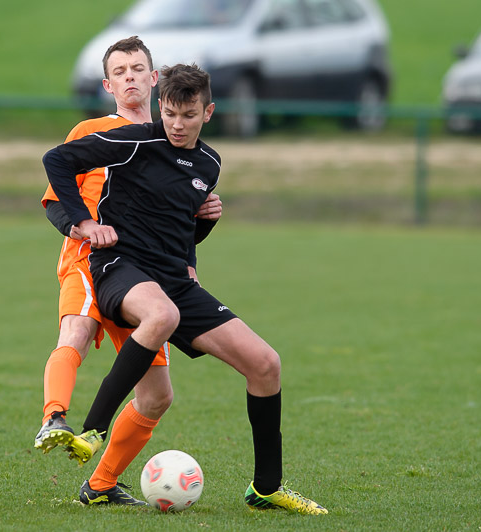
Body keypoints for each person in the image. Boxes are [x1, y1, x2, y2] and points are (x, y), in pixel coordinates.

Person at [44, 63, 327, 515]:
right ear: (161, 107)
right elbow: (56, 160)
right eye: (171, 114)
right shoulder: (135, 141)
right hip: (119, 267)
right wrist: (83, 222)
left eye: (189, 115)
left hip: (172, 278)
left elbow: (178, 229)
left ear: (208, 112)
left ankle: (266, 488)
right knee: (162, 316)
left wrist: (204, 225)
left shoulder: (209, 164)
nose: (178, 125)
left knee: (265, 364)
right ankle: (93, 429)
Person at [35, 36, 222, 495]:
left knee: (158, 395)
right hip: (90, 260)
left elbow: (173, 220)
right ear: (107, 85)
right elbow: (55, 199)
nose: (130, 77)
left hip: (145, 275)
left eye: (137, 69)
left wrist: (199, 232)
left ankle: (101, 485)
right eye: (119, 72)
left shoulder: (170, 138)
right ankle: (54, 418)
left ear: (154, 79)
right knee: (77, 330)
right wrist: (83, 227)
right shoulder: (93, 131)